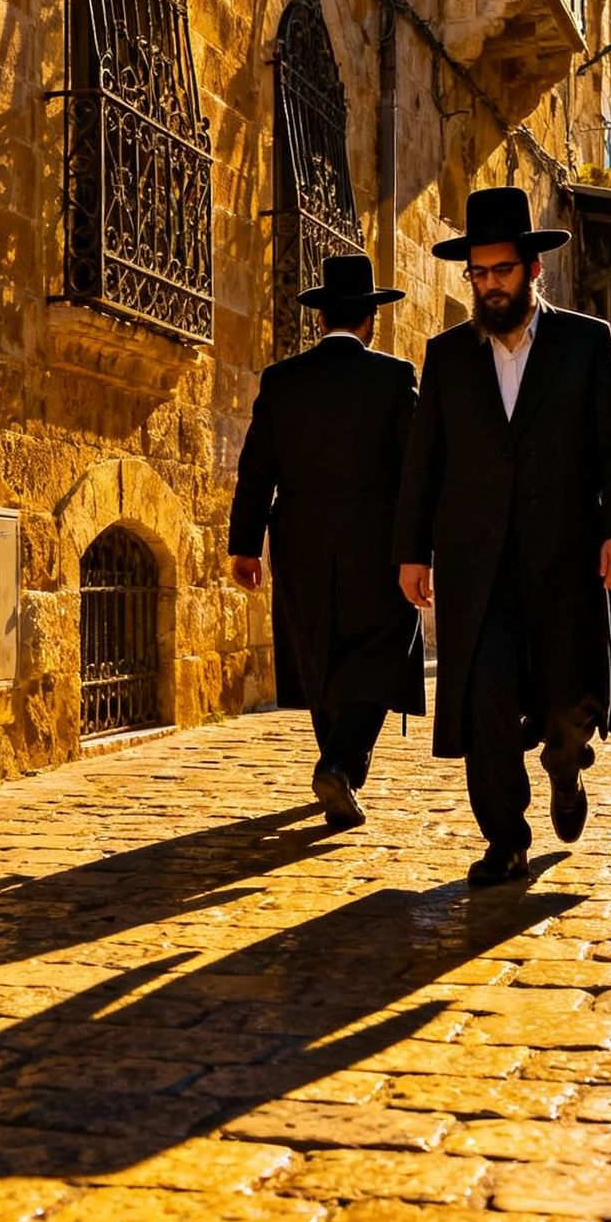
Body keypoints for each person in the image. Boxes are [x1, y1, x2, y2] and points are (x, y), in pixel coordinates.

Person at [393, 187, 611, 887]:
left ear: (532, 271)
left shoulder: (585, 341)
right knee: (486, 702)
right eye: (477, 273)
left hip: (566, 558)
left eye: (501, 271)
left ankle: (567, 765)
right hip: (477, 567)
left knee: (571, 702)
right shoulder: (447, 356)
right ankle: (505, 839)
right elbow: (426, 460)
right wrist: (412, 551)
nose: (489, 285)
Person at [228, 254, 425, 828]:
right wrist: (420, 545)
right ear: (371, 321)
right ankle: (340, 763)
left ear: (320, 321)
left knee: (319, 650)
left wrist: (246, 545)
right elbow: (414, 467)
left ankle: (335, 764)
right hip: (375, 537)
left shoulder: (282, 380)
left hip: (299, 537)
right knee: (385, 645)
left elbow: (256, 467)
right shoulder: (393, 377)